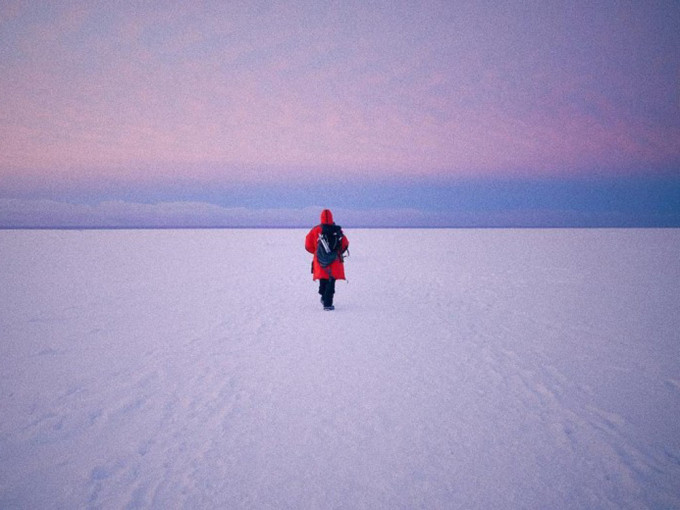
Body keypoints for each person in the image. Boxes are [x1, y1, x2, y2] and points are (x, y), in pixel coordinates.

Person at [305, 209, 349, 310]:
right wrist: (337, 253)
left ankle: (324, 297)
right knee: (331, 280)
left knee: (323, 278)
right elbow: (345, 244)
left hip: (320, 260)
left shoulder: (315, 230)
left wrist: (317, 253)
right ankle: (328, 303)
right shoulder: (337, 230)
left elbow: (308, 245)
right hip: (334, 260)